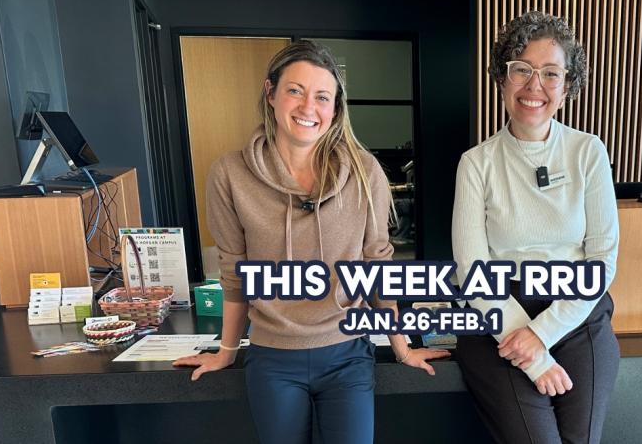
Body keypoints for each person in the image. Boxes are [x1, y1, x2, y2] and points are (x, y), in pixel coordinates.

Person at [173, 40, 448, 444]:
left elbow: (378, 269)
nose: (308, 108)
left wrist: (403, 349)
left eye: (322, 97)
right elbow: (235, 276)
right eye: (295, 91)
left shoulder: (364, 170)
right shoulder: (229, 174)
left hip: (347, 356)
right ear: (271, 93)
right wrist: (227, 351)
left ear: (335, 108)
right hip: (272, 360)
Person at [452, 11, 620, 444]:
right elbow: (474, 271)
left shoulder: (588, 152)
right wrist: (532, 355)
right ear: (502, 78)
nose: (534, 86)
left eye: (550, 73)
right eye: (521, 70)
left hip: (576, 311)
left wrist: (542, 333)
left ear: (567, 86)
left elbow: (601, 260)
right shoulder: (477, 164)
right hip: (497, 317)